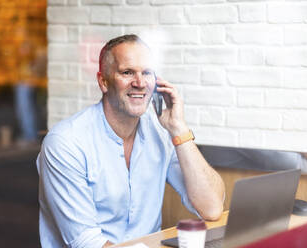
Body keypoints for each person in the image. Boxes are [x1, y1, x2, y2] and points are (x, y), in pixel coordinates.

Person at [36, 34, 225, 248]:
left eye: (147, 73)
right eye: (127, 72)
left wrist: (178, 128)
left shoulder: (161, 133)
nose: (140, 83)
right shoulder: (65, 143)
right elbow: (86, 243)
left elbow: (211, 207)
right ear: (103, 82)